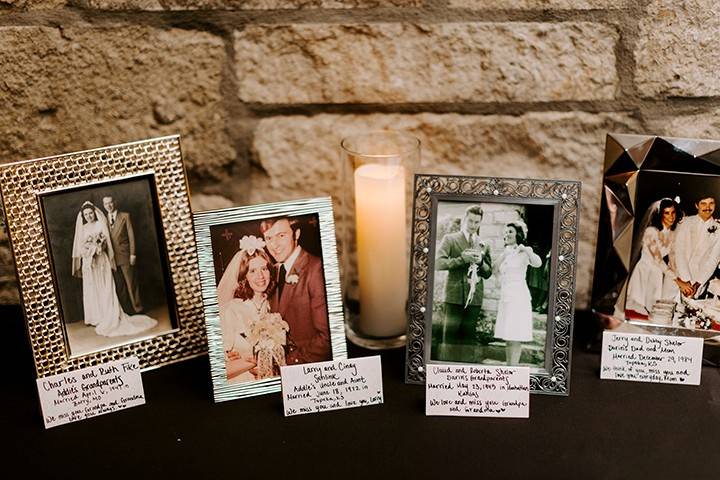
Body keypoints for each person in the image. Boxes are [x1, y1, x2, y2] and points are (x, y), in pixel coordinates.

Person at [71, 201, 157, 337]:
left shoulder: (101, 224)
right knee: (92, 287)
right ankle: (95, 316)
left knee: (105, 285)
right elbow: (80, 247)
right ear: (83, 216)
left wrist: (99, 247)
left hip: (101, 261)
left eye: (90, 213)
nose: (89, 216)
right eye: (86, 215)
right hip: (89, 262)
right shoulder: (83, 228)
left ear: (94, 213)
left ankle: (107, 313)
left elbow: (107, 243)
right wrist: (89, 251)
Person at [216, 235, 288, 383]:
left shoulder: (273, 305)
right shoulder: (231, 310)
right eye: (252, 271)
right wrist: (253, 362)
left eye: (264, 269)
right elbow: (218, 370)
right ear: (244, 276)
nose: (260, 276)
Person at [260, 217, 330, 364]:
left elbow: (327, 337)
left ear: (296, 234)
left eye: (281, 236)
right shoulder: (275, 271)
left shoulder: (316, 268)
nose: (274, 245)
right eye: (269, 238)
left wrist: (288, 363)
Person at [435, 205, 492, 359]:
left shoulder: (483, 244)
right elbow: (438, 263)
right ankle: (447, 375)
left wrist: (481, 263)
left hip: (474, 298)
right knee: (450, 338)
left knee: (468, 339)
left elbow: (488, 273)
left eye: (477, 222)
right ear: (464, 219)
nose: (473, 225)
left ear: (480, 223)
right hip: (454, 295)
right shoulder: (450, 239)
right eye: (470, 221)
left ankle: (466, 375)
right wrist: (462, 259)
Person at [625, 198, 683, 318]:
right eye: (666, 213)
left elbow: (672, 260)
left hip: (658, 275)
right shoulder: (651, 232)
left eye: (673, 213)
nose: (671, 217)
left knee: (653, 312)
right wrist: (677, 280)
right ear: (660, 214)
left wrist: (680, 278)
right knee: (638, 311)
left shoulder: (673, 234)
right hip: (644, 273)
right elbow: (658, 260)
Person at [493, 221, 541, 366]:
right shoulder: (505, 253)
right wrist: (503, 255)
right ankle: (509, 366)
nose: (507, 234)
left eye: (510, 232)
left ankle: (513, 367)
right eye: (506, 232)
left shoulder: (524, 251)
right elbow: (494, 270)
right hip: (506, 296)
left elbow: (537, 263)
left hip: (518, 296)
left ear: (518, 234)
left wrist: (526, 250)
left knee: (515, 335)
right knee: (508, 335)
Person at [673, 195, 720, 299]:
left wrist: (698, 283)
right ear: (696, 205)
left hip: (698, 282)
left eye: (711, 203)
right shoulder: (684, 222)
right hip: (678, 278)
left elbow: (713, 260)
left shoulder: (718, 229)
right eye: (703, 203)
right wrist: (685, 280)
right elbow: (679, 251)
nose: (708, 207)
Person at [103, 196, 142, 313]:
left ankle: (138, 308)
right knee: (119, 286)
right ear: (103, 205)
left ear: (115, 202)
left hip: (125, 255)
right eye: (106, 204)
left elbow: (131, 236)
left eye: (110, 202)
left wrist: (133, 254)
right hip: (112, 258)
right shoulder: (104, 219)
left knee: (131, 283)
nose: (109, 206)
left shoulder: (125, 216)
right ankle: (126, 311)